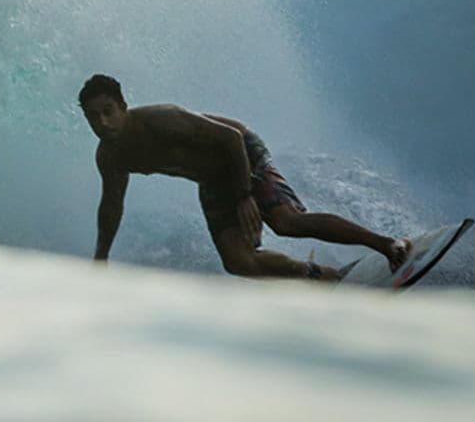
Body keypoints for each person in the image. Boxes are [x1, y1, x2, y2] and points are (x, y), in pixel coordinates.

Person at [78, 73, 409, 280]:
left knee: (286, 222)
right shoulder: (110, 157)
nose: (103, 122)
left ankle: (388, 245)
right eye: (94, 117)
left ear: (123, 106)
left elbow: (230, 139)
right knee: (238, 262)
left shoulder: (162, 120)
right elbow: (111, 206)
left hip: (240, 154)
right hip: (212, 181)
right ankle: (323, 277)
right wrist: (100, 258)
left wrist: (244, 196)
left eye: (108, 111)